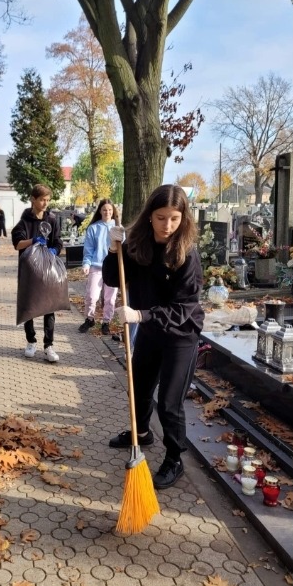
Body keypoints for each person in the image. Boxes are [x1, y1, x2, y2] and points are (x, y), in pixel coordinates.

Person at [101, 184, 204, 491]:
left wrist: (141, 315)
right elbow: (111, 277)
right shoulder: (138, 245)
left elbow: (183, 308)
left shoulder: (187, 254)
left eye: (174, 218)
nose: (167, 225)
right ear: (150, 216)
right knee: (140, 387)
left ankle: (174, 457)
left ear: (182, 218)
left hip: (180, 335)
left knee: (169, 403)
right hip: (149, 331)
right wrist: (113, 250)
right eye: (161, 218)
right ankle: (142, 433)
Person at [12, 184, 64, 362]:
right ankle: (31, 340)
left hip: (48, 269)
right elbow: (17, 243)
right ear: (33, 199)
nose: (45, 203)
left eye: (48, 200)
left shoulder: (52, 220)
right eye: (42, 199)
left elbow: (58, 241)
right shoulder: (24, 221)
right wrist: (33, 241)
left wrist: (54, 251)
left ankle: (49, 345)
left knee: (49, 307)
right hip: (29, 269)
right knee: (31, 305)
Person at [79, 198, 119, 333]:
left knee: (110, 298)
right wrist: (86, 263)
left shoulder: (118, 228)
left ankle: (106, 322)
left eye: (109, 210)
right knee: (91, 295)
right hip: (97, 266)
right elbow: (89, 249)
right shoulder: (93, 228)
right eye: (104, 210)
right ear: (100, 211)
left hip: (113, 268)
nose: (107, 212)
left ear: (113, 211)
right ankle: (89, 319)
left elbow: (123, 249)